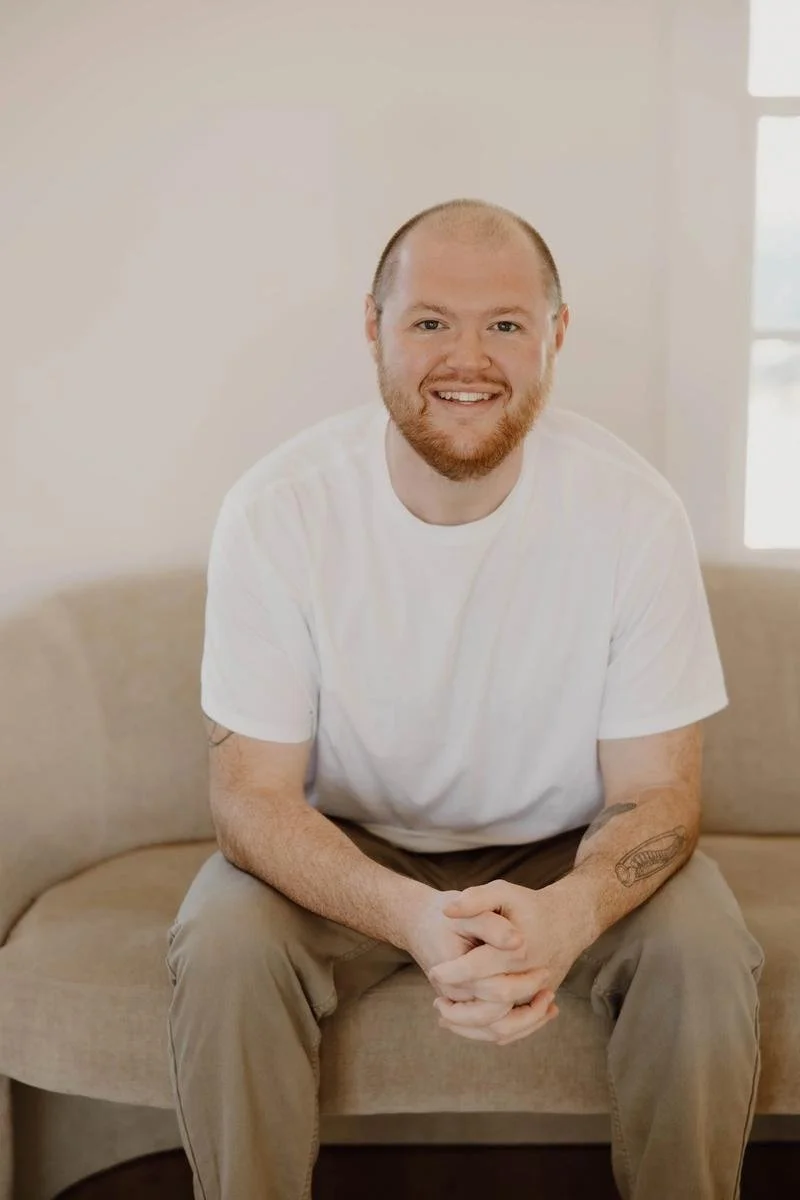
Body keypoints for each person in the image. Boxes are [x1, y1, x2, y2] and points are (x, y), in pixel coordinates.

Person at [166, 198, 765, 1200]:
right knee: (223, 942)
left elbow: (657, 793)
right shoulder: (279, 512)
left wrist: (567, 916)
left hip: (568, 847)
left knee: (701, 947)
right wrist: (413, 915)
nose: (466, 358)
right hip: (350, 847)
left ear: (553, 336)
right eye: (430, 321)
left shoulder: (630, 513)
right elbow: (250, 799)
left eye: (503, 324)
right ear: (373, 328)